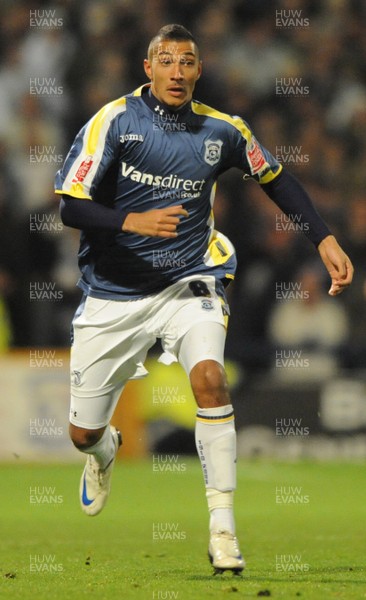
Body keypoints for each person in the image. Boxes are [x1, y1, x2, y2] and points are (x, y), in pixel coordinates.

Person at [55, 24, 353, 574]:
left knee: (211, 378)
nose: (177, 71)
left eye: (187, 62)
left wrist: (324, 237)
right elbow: (70, 206)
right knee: (81, 434)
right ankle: (103, 451)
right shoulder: (113, 120)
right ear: (148, 68)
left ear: (198, 69)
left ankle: (223, 531)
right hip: (114, 294)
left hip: (193, 278)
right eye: (165, 61)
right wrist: (131, 220)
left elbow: (277, 179)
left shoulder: (223, 130)